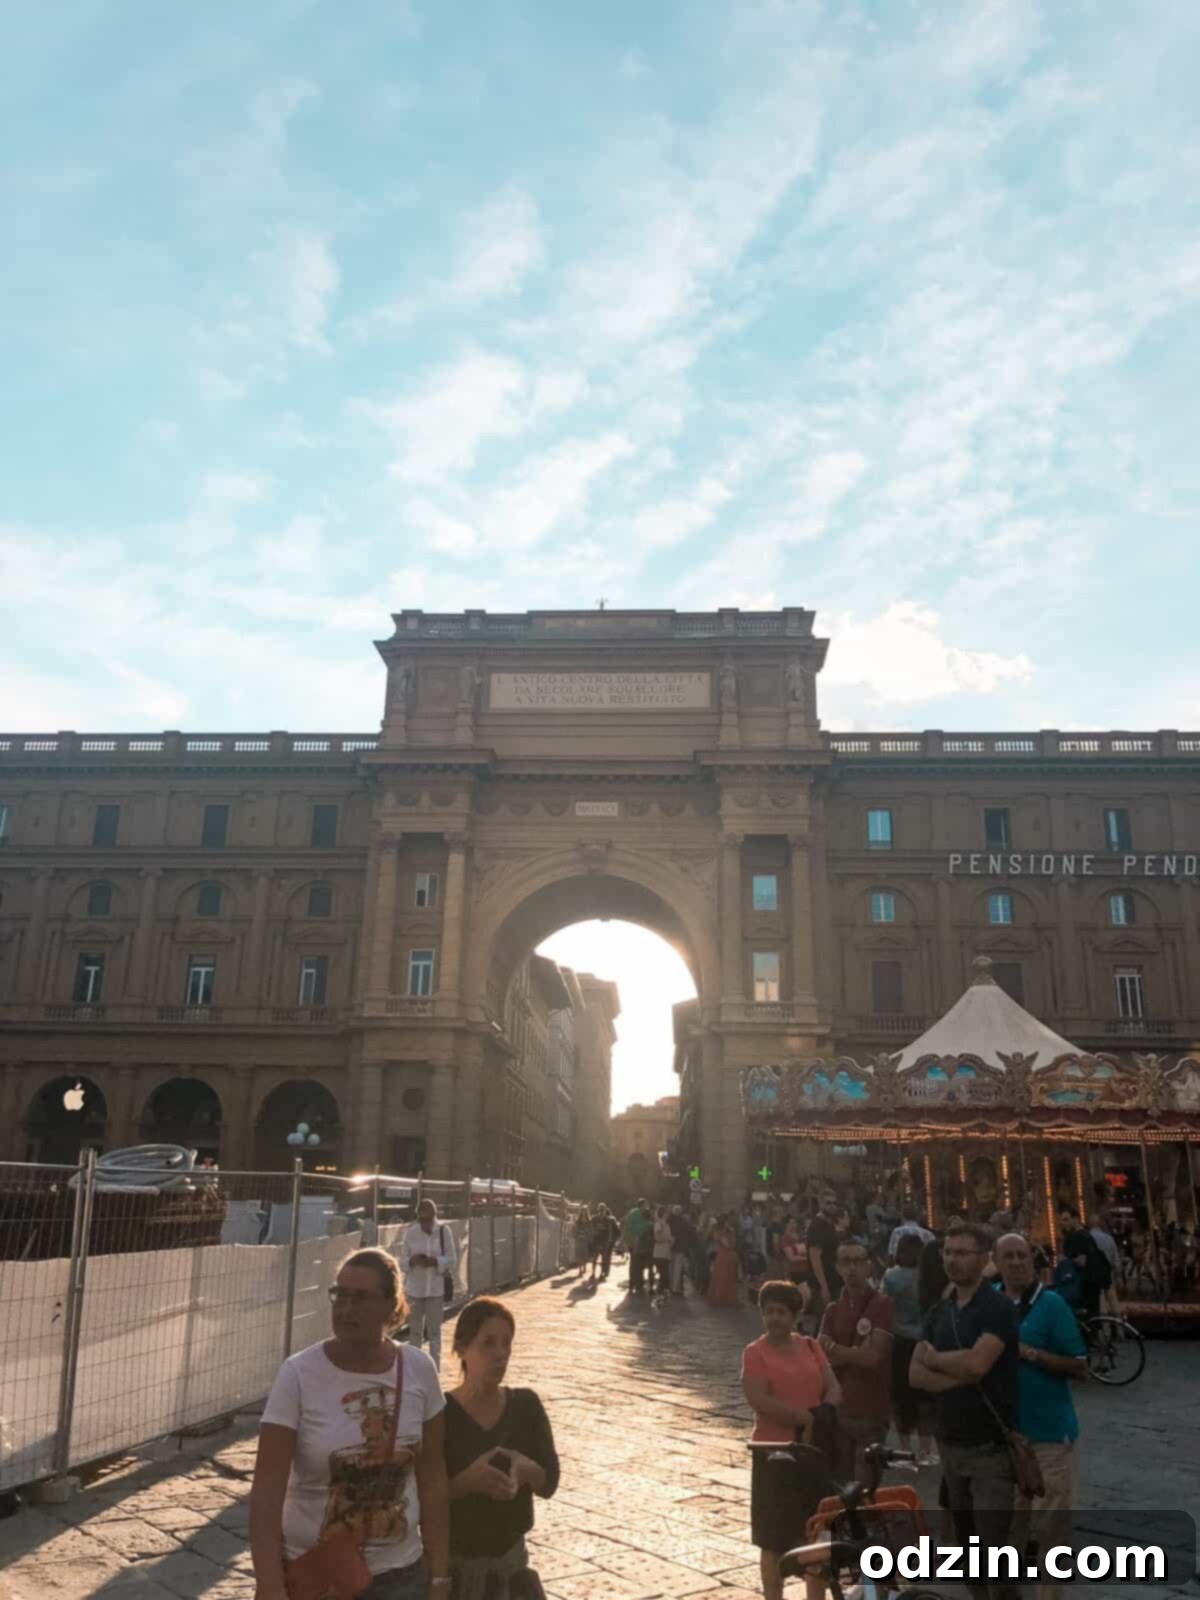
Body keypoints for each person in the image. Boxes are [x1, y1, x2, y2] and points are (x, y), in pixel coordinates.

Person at [249, 1246, 450, 1599]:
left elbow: (432, 1478)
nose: (346, 1308)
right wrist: (269, 1585)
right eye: (340, 1295)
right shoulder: (297, 1375)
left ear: (391, 1306)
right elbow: (266, 1493)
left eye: (360, 1298)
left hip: (400, 1577)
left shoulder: (420, 1371)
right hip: (317, 1576)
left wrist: (439, 1576)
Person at [911, 1221, 1021, 1600]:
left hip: (989, 1449)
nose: (953, 1260)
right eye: (948, 1252)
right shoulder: (940, 1311)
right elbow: (914, 1374)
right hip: (951, 1446)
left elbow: (978, 1365)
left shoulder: (998, 1307)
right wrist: (960, 1372)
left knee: (995, 1560)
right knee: (968, 1559)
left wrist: (939, 1360)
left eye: (962, 1253)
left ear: (984, 1259)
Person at [443, 1296, 559, 1598]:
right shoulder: (441, 1414)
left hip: (513, 1570)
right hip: (456, 1571)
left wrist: (525, 1468)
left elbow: (550, 1483)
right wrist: (465, 1482)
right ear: (462, 1348)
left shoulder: (526, 1405)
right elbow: (421, 1497)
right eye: (488, 1343)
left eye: (507, 1343)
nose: (500, 1354)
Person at [995, 1233, 1087, 1600]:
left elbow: (1080, 1366)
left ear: (1032, 1261)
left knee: (1050, 1528)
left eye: (1022, 1256)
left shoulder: (1051, 1305)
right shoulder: (991, 1303)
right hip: (1008, 1437)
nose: (1016, 1263)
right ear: (996, 1262)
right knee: (1010, 1528)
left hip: (1050, 1435)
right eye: (1009, 1257)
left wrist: (1031, 1354)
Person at [741, 1280, 841, 1600]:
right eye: (768, 1312)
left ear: (795, 1315)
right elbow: (758, 1398)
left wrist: (823, 1412)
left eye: (781, 1312)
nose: (774, 1319)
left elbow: (834, 1387)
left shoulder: (811, 1346)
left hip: (812, 1452)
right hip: (774, 1451)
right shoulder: (755, 1353)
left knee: (816, 1531)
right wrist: (804, 1418)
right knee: (772, 1537)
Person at [819, 1239, 895, 1484]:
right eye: (845, 1262)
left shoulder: (882, 1305)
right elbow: (821, 1355)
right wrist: (854, 1352)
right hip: (839, 1410)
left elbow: (873, 1357)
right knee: (840, 1487)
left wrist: (837, 1350)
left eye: (858, 1261)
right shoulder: (832, 1309)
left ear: (869, 1267)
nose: (852, 1268)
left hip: (871, 1411)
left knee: (865, 1490)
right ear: (838, 1267)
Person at [882, 1232, 936, 1467]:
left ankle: (905, 1449)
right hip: (925, 1339)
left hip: (900, 1339)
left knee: (901, 1395)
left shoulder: (892, 1277)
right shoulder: (928, 1276)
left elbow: (885, 1307)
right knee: (925, 1397)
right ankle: (925, 1450)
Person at [401, 1198, 458, 1371]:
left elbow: (452, 1259)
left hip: (435, 1289)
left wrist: (435, 1261)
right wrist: (412, 1260)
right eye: (422, 1219)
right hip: (415, 1289)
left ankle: (433, 1368)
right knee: (415, 1332)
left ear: (434, 1216)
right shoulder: (411, 1233)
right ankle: (414, 1368)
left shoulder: (443, 1231)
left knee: (434, 1333)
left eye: (428, 1219)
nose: (425, 1223)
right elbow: (402, 1261)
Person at [805, 1189, 844, 1321]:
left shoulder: (829, 1224)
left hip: (834, 1281)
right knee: (824, 1323)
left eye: (834, 1203)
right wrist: (823, 1286)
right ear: (820, 1204)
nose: (832, 1206)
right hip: (823, 1283)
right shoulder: (817, 1225)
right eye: (828, 1203)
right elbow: (814, 1257)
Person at [705, 1213, 741, 1308]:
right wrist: (732, 1235)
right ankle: (721, 1298)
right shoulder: (721, 1232)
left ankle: (724, 1297)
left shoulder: (722, 1231)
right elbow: (728, 1245)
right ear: (725, 1222)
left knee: (726, 1276)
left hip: (724, 1255)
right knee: (723, 1276)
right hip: (724, 1255)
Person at [623, 1198, 652, 1294]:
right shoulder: (639, 1215)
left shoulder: (631, 1214)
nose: (647, 1207)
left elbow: (626, 1228)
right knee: (639, 1264)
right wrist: (649, 1225)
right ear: (642, 1205)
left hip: (632, 1243)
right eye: (646, 1205)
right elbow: (639, 1229)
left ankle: (633, 1283)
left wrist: (626, 1242)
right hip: (639, 1243)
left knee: (634, 1264)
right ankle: (638, 1284)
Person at [668, 1204, 696, 1296]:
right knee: (678, 1269)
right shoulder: (684, 1222)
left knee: (670, 1268)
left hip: (670, 1247)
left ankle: (670, 1286)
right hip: (680, 1248)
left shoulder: (669, 1221)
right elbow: (689, 1233)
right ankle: (676, 1289)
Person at [590, 1203, 618, 1280]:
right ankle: (593, 1272)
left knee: (604, 1259)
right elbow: (592, 1228)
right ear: (598, 1209)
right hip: (597, 1240)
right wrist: (595, 1232)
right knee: (595, 1258)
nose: (601, 1211)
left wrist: (609, 1240)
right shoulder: (594, 1219)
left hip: (604, 1240)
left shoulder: (607, 1220)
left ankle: (601, 1273)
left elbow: (610, 1230)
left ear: (604, 1210)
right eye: (600, 1209)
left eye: (602, 1209)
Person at [652, 1205, 673, 1294]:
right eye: (667, 1213)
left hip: (666, 1252)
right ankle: (660, 1293)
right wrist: (668, 1239)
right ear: (663, 1214)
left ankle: (663, 1292)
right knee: (663, 1274)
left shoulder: (666, 1224)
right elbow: (657, 1238)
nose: (668, 1214)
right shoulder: (658, 1224)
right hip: (659, 1253)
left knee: (665, 1275)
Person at [573, 1206, 591, 1277]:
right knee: (579, 1255)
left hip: (585, 1240)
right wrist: (576, 1234)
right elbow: (575, 1230)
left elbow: (590, 1230)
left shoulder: (589, 1221)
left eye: (585, 1211)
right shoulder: (578, 1221)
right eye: (582, 1211)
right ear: (581, 1212)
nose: (583, 1213)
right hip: (579, 1239)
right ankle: (580, 1269)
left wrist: (588, 1236)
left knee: (584, 1255)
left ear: (586, 1213)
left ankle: (584, 1267)